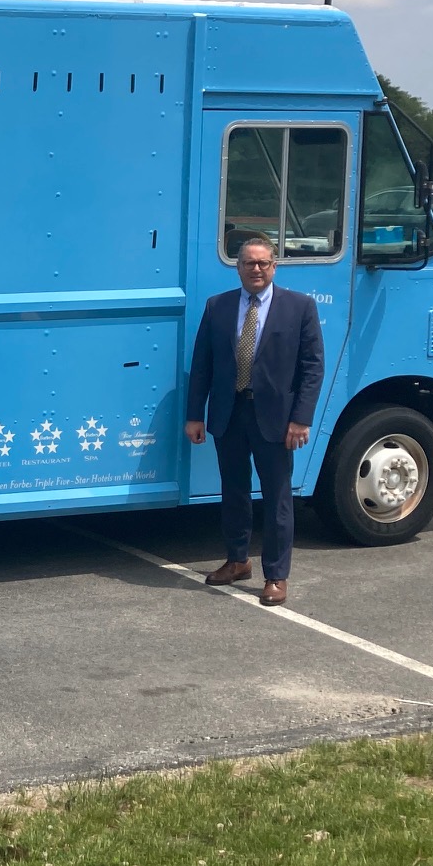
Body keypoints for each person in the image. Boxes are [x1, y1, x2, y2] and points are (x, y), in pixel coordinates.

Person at [183, 234, 324, 606]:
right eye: (249, 263)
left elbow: (312, 369)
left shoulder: (300, 307)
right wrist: (195, 415)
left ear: (274, 266)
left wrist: (301, 419)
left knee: (277, 498)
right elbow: (202, 366)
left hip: (277, 421)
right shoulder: (218, 307)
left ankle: (276, 576)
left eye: (263, 263)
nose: (256, 269)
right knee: (233, 491)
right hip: (230, 415)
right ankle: (237, 560)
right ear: (238, 267)